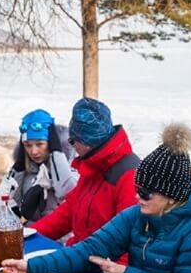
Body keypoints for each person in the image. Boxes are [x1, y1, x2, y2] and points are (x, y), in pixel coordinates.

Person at [2, 123, 191, 273]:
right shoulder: (137, 215)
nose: (137, 197)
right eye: (137, 189)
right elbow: (89, 249)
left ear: (171, 197)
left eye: (145, 193)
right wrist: (30, 268)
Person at [29, 97, 138, 246]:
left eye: (72, 141)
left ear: (87, 142)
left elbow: (128, 243)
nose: (73, 147)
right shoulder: (93, 165)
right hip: (80, 255)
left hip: (102, 264)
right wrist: (26, 235)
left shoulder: (130, 177)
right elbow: (68, 212)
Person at [0, 109, 77, 223]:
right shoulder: (25, 170)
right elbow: (4, 205)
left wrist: (56, 154)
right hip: (32, 233)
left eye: (39, 144)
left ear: (51, 142)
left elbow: (67, 190)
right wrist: (18, 168)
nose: (34, 151)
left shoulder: (71, 167)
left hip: (59, 238)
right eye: (28, 145)